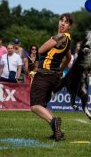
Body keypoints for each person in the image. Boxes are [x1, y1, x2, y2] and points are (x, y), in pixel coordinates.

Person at [30, 13, 73, 141]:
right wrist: (61, 70)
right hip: (54, 77)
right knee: (43, 105)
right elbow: (69, 58)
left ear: (70, 26)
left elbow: (41, 50)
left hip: (44, 75)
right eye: (61, 20)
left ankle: (53, 121)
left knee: (35, 106)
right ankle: (56, 132)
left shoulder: (60, 37)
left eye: (66, 22)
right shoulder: (68, 39)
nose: (62, 23)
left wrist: (52, 39)